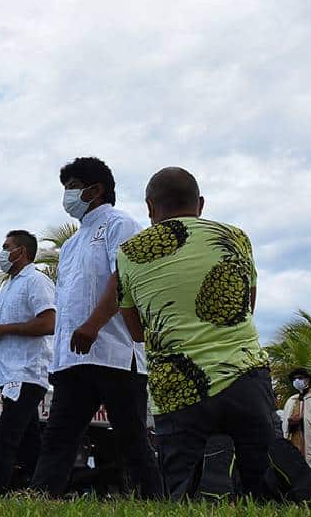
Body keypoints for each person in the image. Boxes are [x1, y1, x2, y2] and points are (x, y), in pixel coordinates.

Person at [111, 167, 273, 499]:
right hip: (245, 378)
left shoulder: (128, 253)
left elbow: (136, 332)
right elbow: (246, 307)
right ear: (200, 203)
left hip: (176, 390)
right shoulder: (236, 237)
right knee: (261, 486)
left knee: (184, 493)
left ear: (149, 208)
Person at [31, 157, 162, 499]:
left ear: (96, 189)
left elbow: (125, 277)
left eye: (72, 187)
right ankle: (42, 496)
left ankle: (155, 500)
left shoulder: (121, 224)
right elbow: (70, 297)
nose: (67, 195)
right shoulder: (73, 243)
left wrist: (93, 325)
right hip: (73, 360)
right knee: (59, 436)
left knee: (132, 437)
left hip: (114, 354)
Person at [0, 230, 55, 493]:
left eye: (6, 246)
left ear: (21, 251)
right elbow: (12, 328)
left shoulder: (36, 281)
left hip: (27, 373)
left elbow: (48, 323)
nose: (2, 252)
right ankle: (45, 489)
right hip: (10, 374)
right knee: (30, 440)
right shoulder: (10, 285)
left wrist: (2, 329)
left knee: (5, 438)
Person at [282, 367, 311, 477]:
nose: (297, 381)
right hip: (295, 441)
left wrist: (302, 420)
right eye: (294, 379)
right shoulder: (291, 401)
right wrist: (291, 423)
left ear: (307, 380)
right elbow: (285, 426)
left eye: (300, 378)